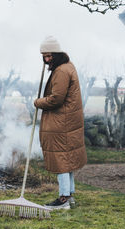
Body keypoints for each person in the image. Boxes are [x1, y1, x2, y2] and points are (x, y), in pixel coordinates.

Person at [34, 36, 87, 210]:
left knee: (61, 161)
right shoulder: (66, 67)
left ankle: (63, 199)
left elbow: (56, 99)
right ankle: (69, 196)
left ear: (57, 54)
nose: (47, 59)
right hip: (66, 121)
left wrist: (38, 102)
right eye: (44, 56)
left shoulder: (62, 71)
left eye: (49, 56)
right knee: (66, 159)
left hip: (61, 123)